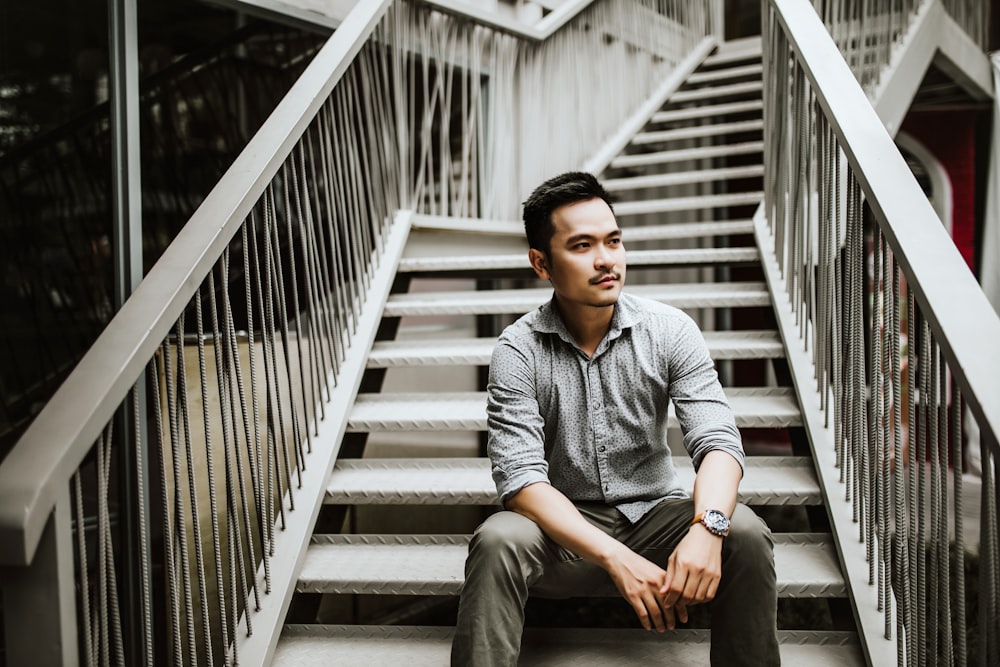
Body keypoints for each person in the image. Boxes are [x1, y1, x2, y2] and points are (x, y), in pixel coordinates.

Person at [450, 171, 780, 666]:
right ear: (541, 262)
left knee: (746, 533)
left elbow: (719, 442)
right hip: (563, 535)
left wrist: (707, 528)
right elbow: (520, 481)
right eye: (582, 245)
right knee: (498, 539)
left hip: (655, 517)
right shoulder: (517, 350)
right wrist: (617, 558)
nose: (606, 260)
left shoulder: (670, 331)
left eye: (613, 240)